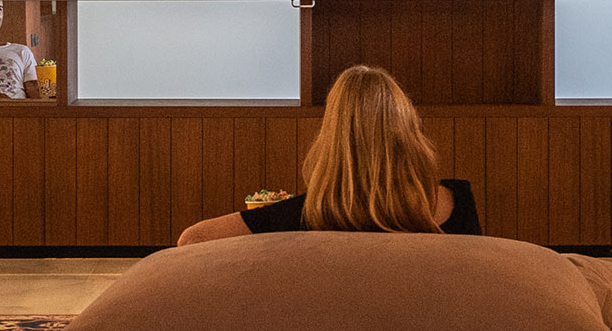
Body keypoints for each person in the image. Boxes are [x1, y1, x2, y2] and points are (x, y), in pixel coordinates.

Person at [175, 63, 480, 243]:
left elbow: (193, 239)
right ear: (409, 129)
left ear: (331, 139)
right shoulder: (456, 201)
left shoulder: (305, 213)